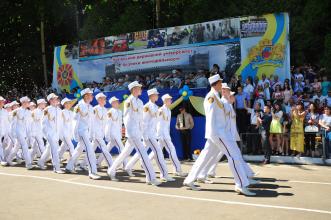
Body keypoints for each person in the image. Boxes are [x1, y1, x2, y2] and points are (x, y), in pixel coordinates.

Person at [183, 75, 255, 196]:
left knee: (204, 157)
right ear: (216, 83)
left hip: (218, 133)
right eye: (221, 82)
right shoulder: (211, 97)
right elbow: (210, 116)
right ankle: (241, 184)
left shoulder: (216, 96)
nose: (222, 85)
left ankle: (189, 180)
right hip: (218, 133)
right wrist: (213, 134)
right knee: (234, 157)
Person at [108, 81, 161, 186]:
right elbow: (126, 118)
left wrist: (141, 132)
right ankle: (151, 177)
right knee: (143, 154)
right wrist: (131, 133)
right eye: (139, 88)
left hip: (138, 132)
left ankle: (111, 170)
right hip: (133, 133)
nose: (141, 90)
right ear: (134, 90)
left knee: (124, 153)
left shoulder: (140, 102)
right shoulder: (129, 101)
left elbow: (141, 119)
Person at [125, 88, 175, 182]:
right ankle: (163, 174)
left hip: (152, 134)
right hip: (148, 134)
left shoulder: (155, 107)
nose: (157, 96)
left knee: (143, 152)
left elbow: (156, 123)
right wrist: (144, 135)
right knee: (158, 152)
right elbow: (144, 122)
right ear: (151, 96)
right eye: (156, 95)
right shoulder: (147, 107)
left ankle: (129, 166)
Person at [65, 88, 101, 180]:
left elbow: (92, 122)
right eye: (90, 95)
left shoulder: (90, 107)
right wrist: (75, 134)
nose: (92, 96)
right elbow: (75, 120)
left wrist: (92, 133)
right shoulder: (79, 106)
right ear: (85, 96)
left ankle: (69, 166)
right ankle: (92, 172)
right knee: (89, 150)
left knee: (79, 150)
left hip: (87, 132)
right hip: (81, 131)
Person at [158, 94, 186, 176]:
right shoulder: (161, 110)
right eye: (169, 99)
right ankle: (177, 170)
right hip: (162, 135)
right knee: (172, 150)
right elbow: (157, 122)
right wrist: (160, 134)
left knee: (156, 151)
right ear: (165, 101)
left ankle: (144, 162)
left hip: (166, 134)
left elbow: (167, 124)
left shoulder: (168, 110)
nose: (171, 101)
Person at [36, 93, 65, 173]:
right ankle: (56, 167)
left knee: (49, 149)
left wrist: (60, 133)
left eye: (56, 98)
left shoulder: (59, 110)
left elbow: (60, 123)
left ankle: (40, 162)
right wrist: (47, 134)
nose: (56, 100)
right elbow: (43, 123)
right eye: (54, 99)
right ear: (50, 100)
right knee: (54, 149)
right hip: (50, 133)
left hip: (56, 133)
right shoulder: (47, 109)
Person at [7, 96, 33, 169]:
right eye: (27, 102)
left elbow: (28, 124)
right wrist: (13, 133)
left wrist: (29, 133)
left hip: (24, 132)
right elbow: (13, 123)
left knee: (16, 147)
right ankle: (28, 163)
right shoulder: (16, 111)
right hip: (18, 131)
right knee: (25, 146)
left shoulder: (28, 112)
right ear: (23, 103)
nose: (29, 103)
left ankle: (9, 159)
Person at [91, 93, 113, 172]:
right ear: (99, 100)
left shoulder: (105, 109)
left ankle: (83, 164)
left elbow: (106, 123)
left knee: (91, 149)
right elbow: (92, 122)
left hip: (101, 133)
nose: (105, 100)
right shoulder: (95, 109)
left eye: (104, 98)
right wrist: (92, 133)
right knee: (104, 148)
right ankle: (111, 165)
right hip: (96, 133)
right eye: (103, 98)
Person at [101, 97, 126, 168]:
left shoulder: (120, 111)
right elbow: (108, 124)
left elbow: (120, 124)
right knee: (122, 149)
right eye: (116, 102)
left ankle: (98, 161)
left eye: (118, 102)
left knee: (107, 149)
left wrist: (121, 133)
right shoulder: (110, 112)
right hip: (113, 134)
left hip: (117, 133)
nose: (118, 103)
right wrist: (107, 135)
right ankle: (125, 165)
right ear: (112, 104)